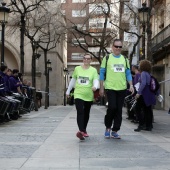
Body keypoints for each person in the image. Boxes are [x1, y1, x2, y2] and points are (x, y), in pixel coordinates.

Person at [99, 39, 134, 139]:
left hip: (122, 88)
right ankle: (108, 127)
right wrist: (101, 87)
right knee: (112, 107)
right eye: (116, 46)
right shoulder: (107, 58)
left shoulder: (125, 59)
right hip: (110, 87)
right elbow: (101, 73)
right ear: (112, 47)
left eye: (120, 47)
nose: (118, 48)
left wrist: (131, 85)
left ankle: (115, 130)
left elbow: (128, 73)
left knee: (119, 110)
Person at [66, 53, 99, 140]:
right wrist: (68, 90)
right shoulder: (77, 69)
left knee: (86, 113)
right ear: (83, 59)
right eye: (85, 58)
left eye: (88, 59)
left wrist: (95, 86)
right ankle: (81, 131)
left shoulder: (93, 70)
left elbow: (96, 80)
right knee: (80, 111)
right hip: (78, 94)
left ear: (91, 60)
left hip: (88, 95)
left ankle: (84, 130)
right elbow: (73, 80)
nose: (86, 60)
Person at [134, 60, 157, 132]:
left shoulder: (143, 73)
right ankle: (148, 126)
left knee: (137, 108)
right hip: (149, 94)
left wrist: (138, 93)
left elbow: (143, 83)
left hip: (144, 94)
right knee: (148, 110)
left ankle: (141, 124)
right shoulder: (149, 74)